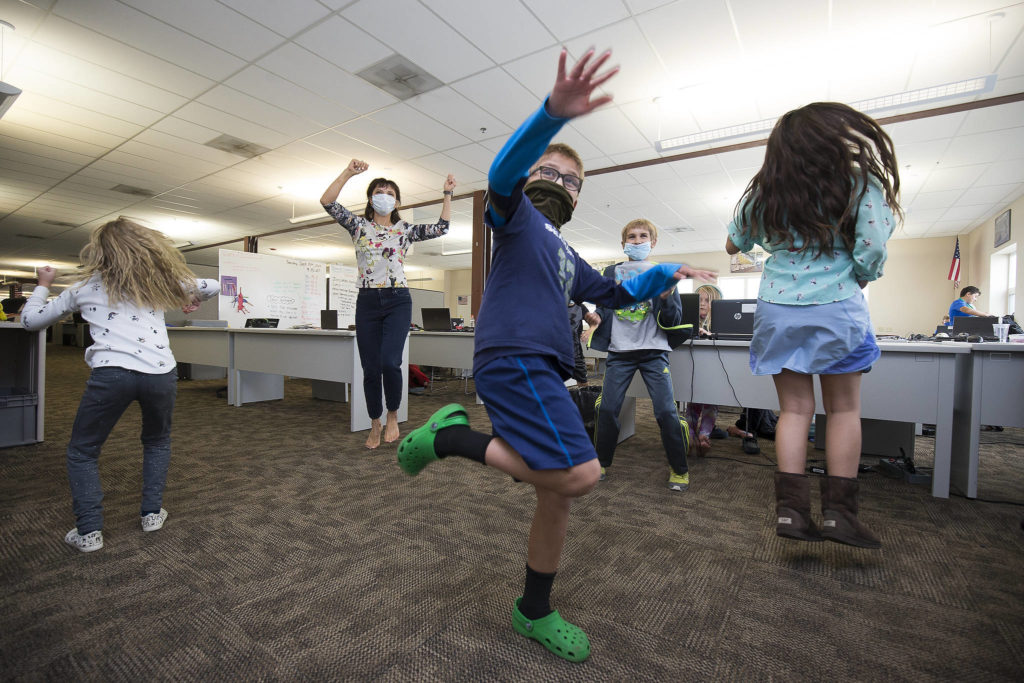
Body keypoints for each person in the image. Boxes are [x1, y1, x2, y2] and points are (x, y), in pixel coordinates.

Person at [394, 48, 712, 662]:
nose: (562, 183)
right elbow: (503, 172)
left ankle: (532, 609)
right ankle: (450, 437)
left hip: (545, 366)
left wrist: (667, 272)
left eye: (574, 181)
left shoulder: (568, 255)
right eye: (553, 172)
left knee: (557, 492)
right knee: (585, 472)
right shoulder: (512, 221)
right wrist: (550, 117)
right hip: (513, 358)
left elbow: (617, 293)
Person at [726, 101, 902, 549]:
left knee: (794, 411)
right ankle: (840, 517)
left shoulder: (765, 190)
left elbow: (733, 243)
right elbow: (872, 250)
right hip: (837, 306)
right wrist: (854, 275)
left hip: (776, 309)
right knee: (842, 410)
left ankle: (791, 513)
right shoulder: (860, 182)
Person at [20, 217, 219, 553]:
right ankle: (152, 514)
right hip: (161, 374)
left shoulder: (83, 288)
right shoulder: (160, 282)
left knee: (82, 452)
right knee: (157, 441)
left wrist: (43, 284)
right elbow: (211, 285)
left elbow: (31, 322)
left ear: (100, 253)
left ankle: (89, 533)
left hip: (112, 374)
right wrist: (194, 298)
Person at [321, 163, 456, 448]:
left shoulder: (404, 230)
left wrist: (447, 194)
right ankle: (375, 422)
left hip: (398, 299)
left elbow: (442, 227)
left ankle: (393, 413)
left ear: (397, 201)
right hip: (368, 301)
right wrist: (348, 173)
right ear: (370, 199)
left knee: (389, 361)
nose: (384, 195)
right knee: (370, 367)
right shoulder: (358, 226)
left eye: (390, 192)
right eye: (379, 192)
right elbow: (328, 202)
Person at [588, 218, 711, 490]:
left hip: (654, 351)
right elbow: (604, 309)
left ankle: (678, 469)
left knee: (666, 412)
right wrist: (595, 316)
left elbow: (674, 316)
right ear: (623, 243)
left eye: (643, 236)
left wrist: (667, 297)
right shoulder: (610, 272)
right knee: (607, 409)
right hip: (620, 352)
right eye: (631, 237)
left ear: (653, 243)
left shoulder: (662, 273)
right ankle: (601, 463)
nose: (637, 240)